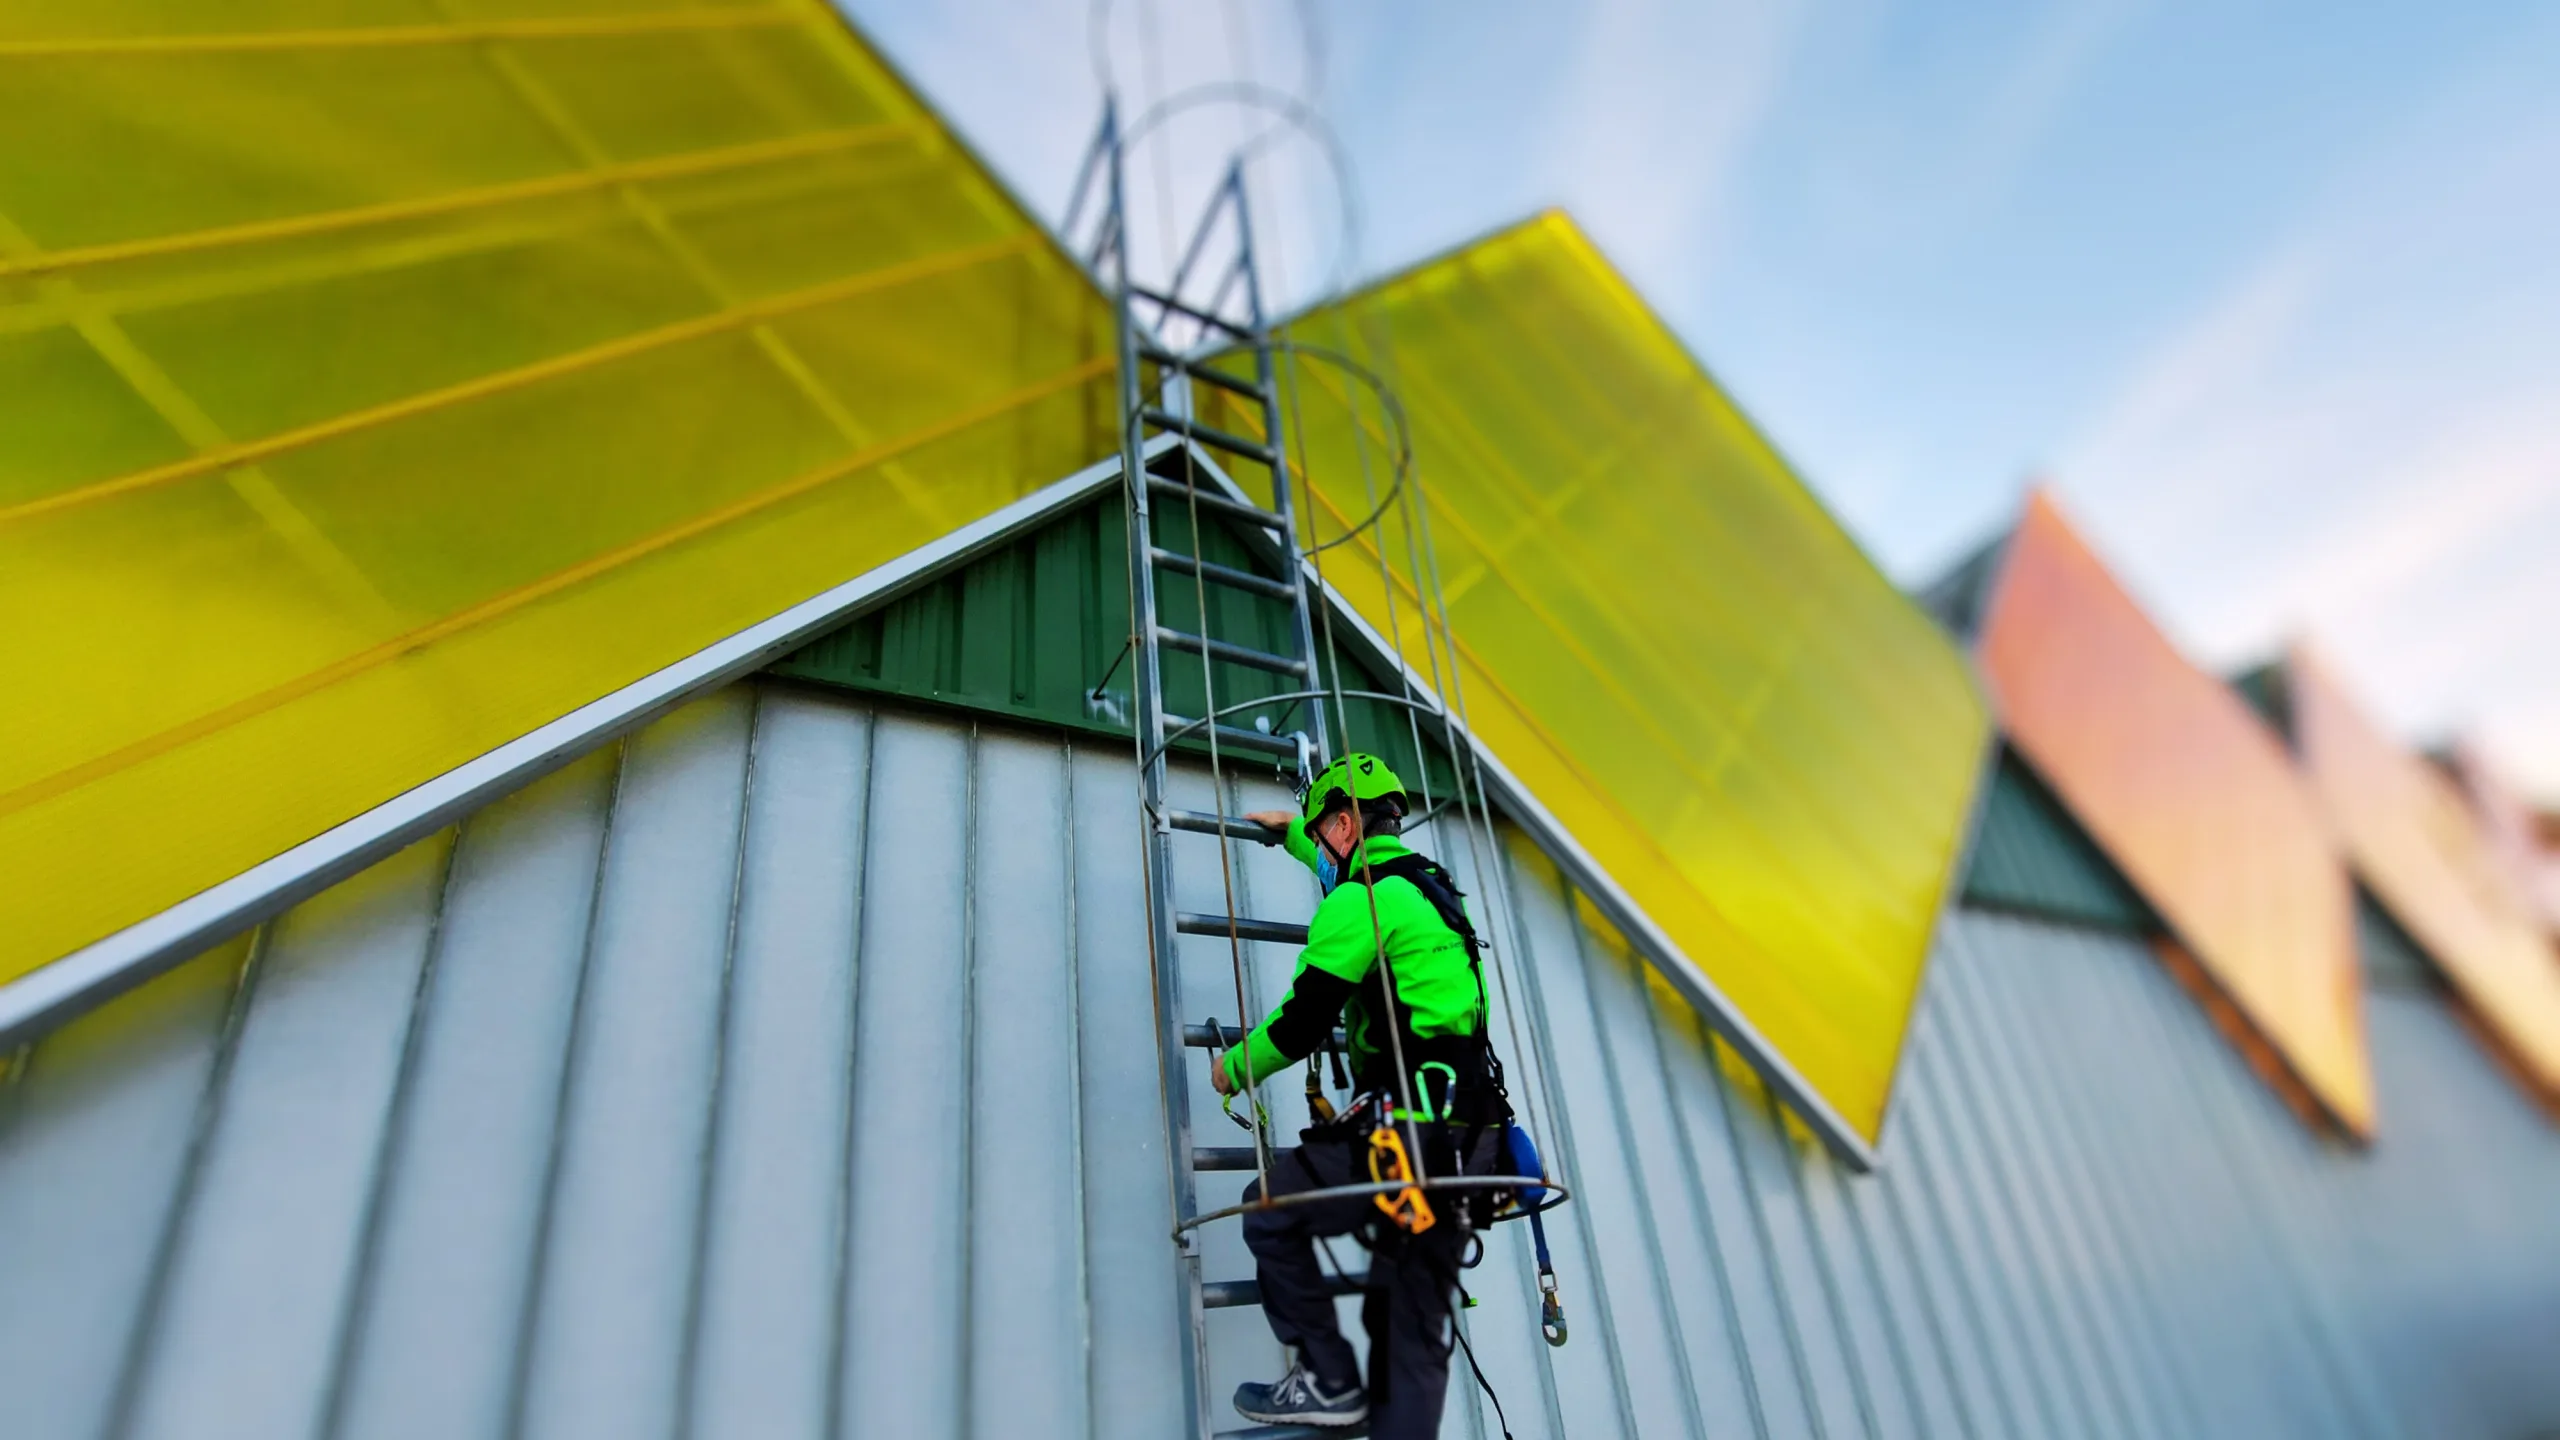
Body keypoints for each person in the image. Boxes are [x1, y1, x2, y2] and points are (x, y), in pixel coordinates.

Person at [1210, 752, 1509, 1436]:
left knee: (1270, 1211)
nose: (1319, 852)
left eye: (1322, 834)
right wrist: (1294, 831)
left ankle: (1328, 1379)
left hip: (1407, 1134)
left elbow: (1302, 1023)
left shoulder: (1359, 900)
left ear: (1344, 826)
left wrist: (1235, 1067)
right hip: (1471, 1140)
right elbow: (1339, 861)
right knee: (1410, 1321)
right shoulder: (1432, 889)